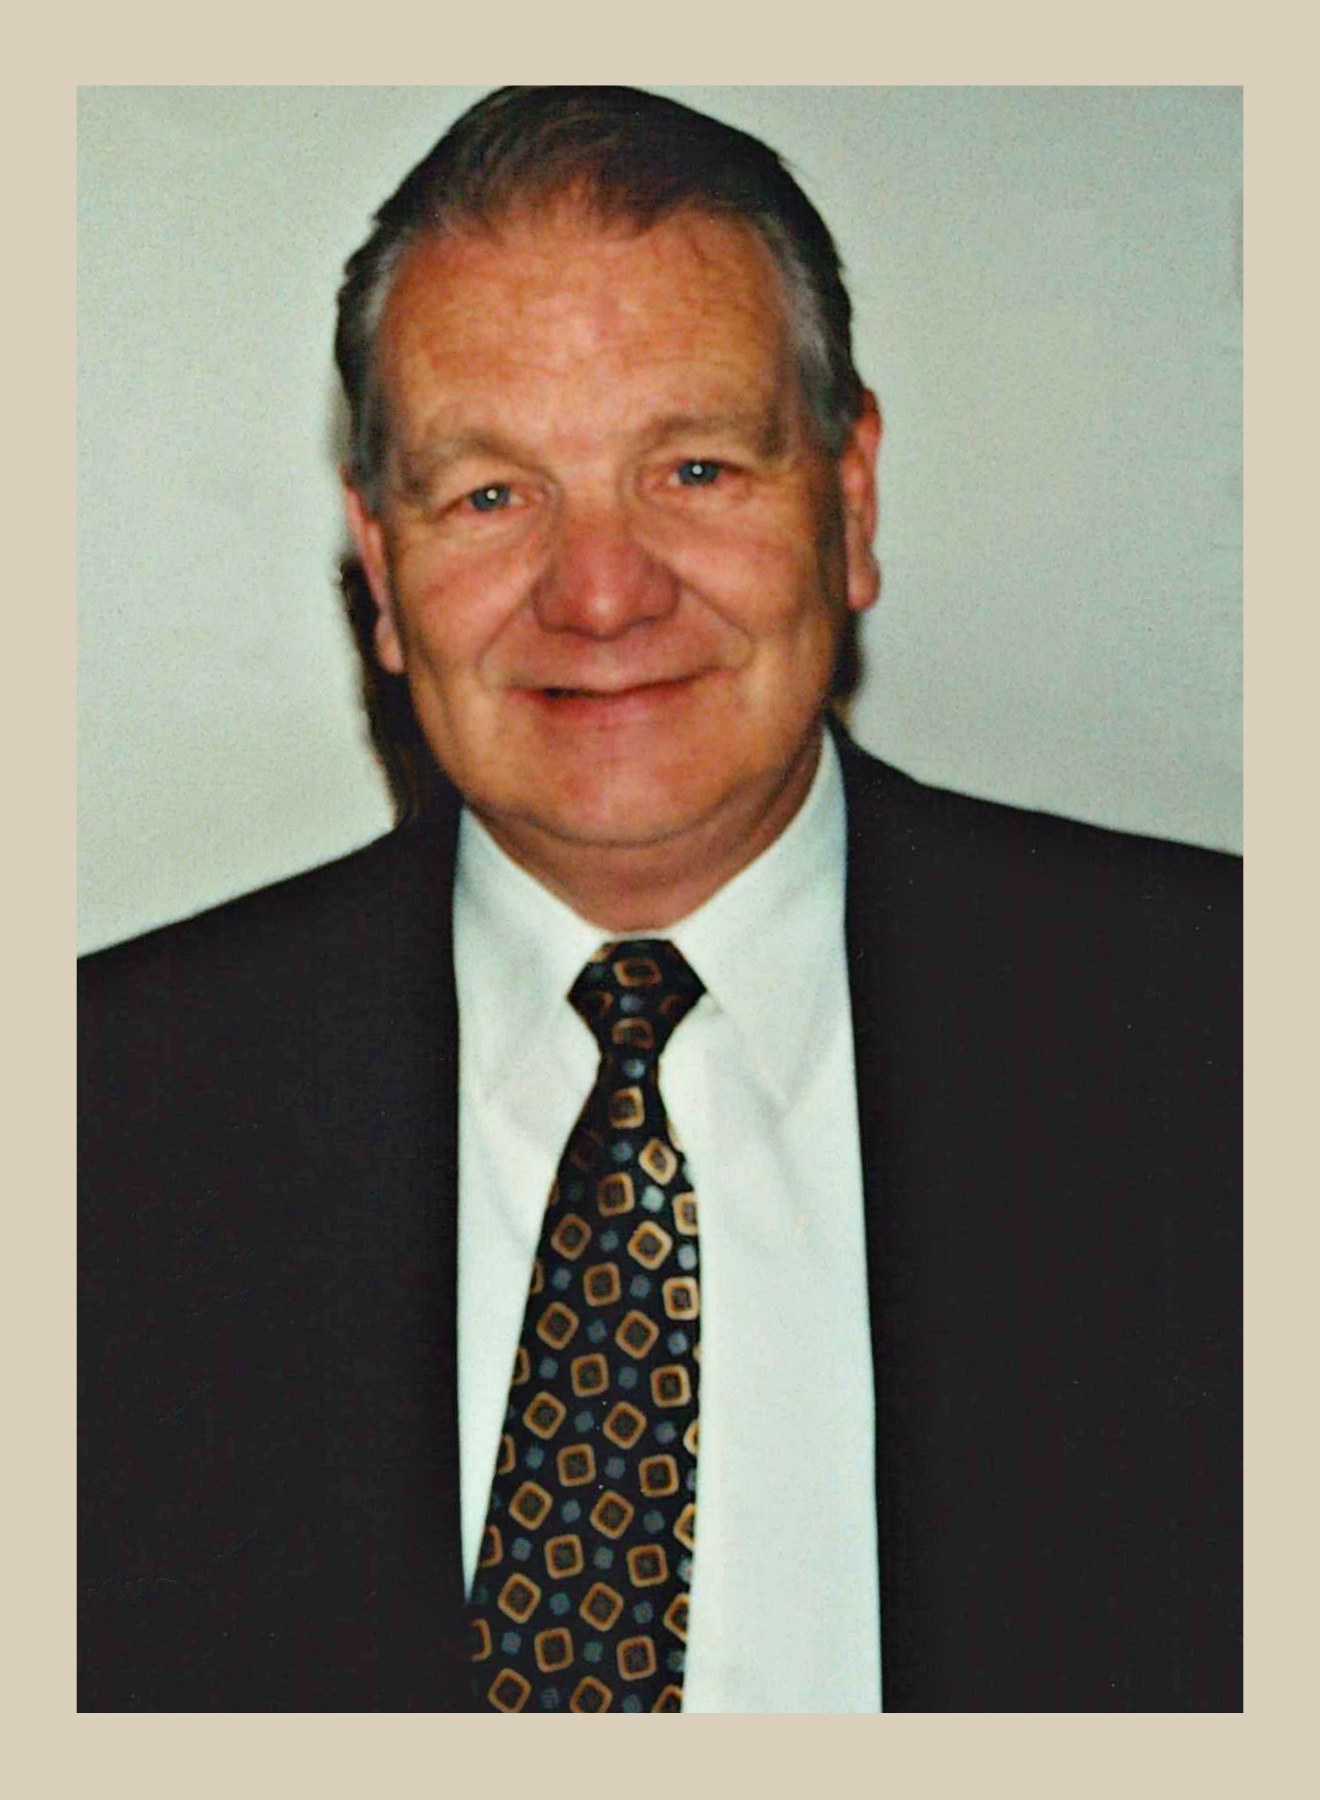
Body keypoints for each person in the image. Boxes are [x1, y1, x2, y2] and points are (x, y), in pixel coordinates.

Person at [78, 86, 1241, 1712]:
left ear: (849, 502)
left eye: (693, 467)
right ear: (381, 565)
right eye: (492, 495)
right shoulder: (94, 1117)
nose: (602, 594)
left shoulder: (1228, 1042)